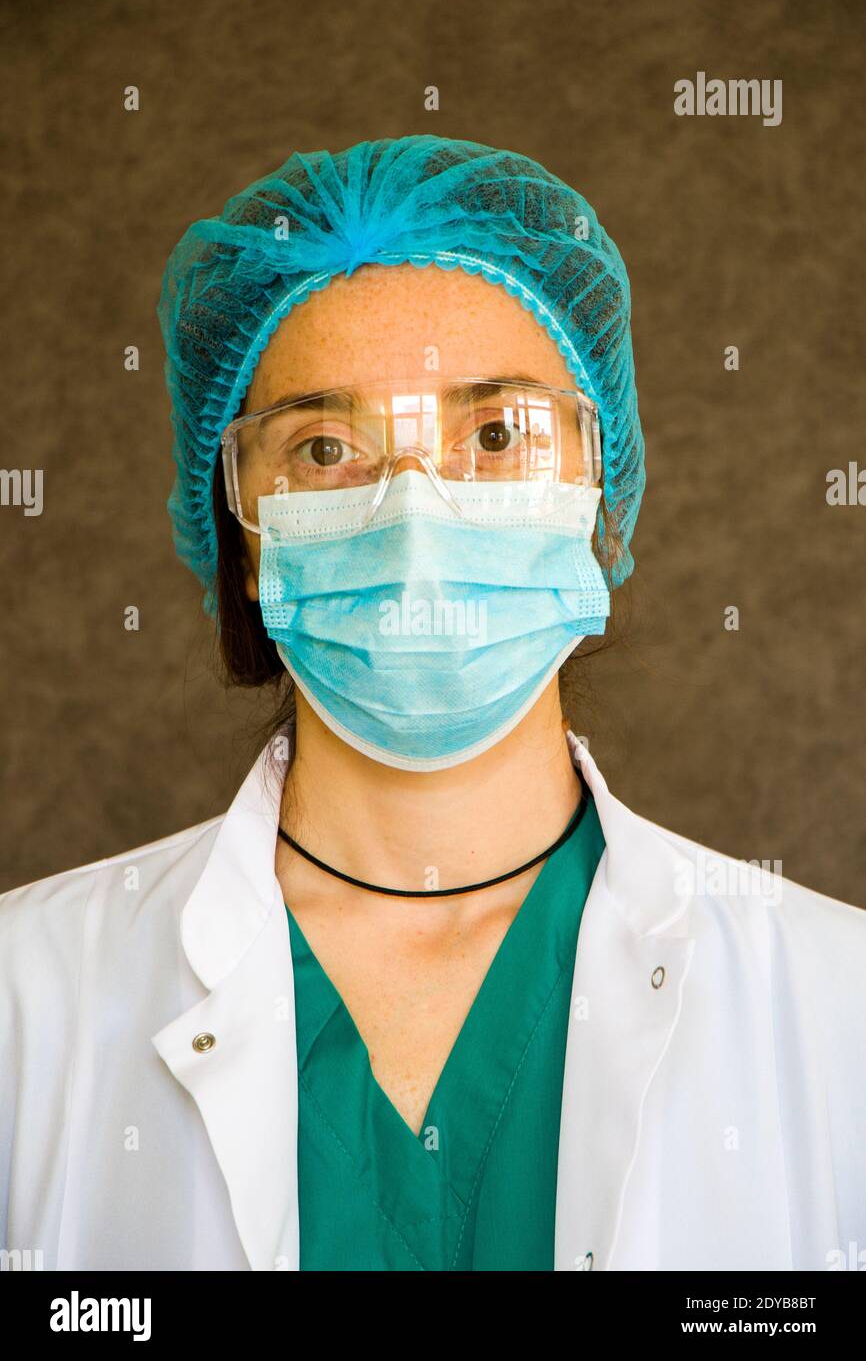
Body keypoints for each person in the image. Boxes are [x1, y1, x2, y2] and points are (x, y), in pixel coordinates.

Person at [1, 135, 864, 1273]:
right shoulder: (29, 1001)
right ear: (244, 540)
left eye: (495, 434)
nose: (415, 512)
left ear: (596, 494)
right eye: (324, 447)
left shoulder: (831, 1006)